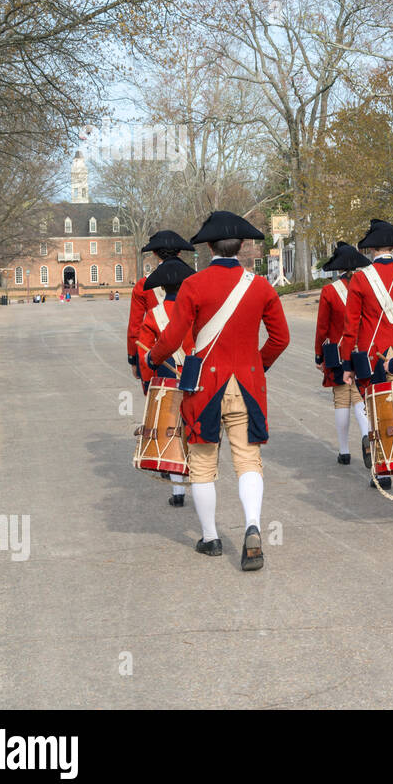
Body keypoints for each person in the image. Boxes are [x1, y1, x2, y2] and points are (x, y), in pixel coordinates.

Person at [145, 211, 290, 572]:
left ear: (209, 247)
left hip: (205, 387)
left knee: (203, 465)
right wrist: (258, 364)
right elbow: (281, 338)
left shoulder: (194, 285)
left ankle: (210, 538)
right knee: (248, 460)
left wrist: (153, 356)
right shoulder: (261, 286)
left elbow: (174, 336)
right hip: (247, 386)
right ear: (242, 246)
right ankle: (253, 526)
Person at [339, 219, 393, 494]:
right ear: (392, 246)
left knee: (375, 411)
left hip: (371, 353)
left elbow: (350, 326)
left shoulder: (360, 279)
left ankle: (383, 469)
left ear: (372, 248)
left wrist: (347, 363)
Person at [136, 257, 197, 507]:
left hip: (166, 377)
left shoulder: (153, 315)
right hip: (194, 376)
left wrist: (147, 382)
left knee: (171, 431)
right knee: (193, 428)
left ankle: (178, 492)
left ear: (162, 288)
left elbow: (145, 353)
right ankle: (200, 478)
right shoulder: (195, 312)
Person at [314, 242, 371, 468]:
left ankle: (344, 451)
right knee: (360, 398)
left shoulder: (329, 290)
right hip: (362, 349)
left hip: (337, 351)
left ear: (337, 268)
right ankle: (367, 437)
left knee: (341, 400)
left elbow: (322, 327)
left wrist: (319, 355)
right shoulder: (366, 286)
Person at [128, 230, 195, 391]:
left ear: (154, 253)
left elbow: (135, 328)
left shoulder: (143, 286)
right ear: (179, 252)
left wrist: (135, 360)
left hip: (161, 360)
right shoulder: (194, 280)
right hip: (193, 358)